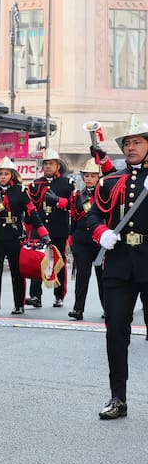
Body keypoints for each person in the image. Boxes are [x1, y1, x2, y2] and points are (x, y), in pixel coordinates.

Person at [86, 115, 148, 419]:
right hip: (120, 263)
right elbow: (94, 216)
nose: (131, 147)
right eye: (127, 143)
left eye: (137, 142)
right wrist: (102, 234)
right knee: (116, 333)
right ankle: (117, 397)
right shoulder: (111, 181)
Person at [0, 156, 49, 316]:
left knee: (17, 271)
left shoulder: (21, 191)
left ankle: (19, 304)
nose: (3, 176)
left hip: (14, 235)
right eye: (0, 173)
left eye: (6, 173)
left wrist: (42, 232)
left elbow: (32, 213)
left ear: (12, 175)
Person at [26, 149, 74, 308]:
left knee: (59, 261)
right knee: (37, 260)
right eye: (45, 163)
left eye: (51, 163)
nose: (47, 166)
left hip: (58, 226)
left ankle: (59, 295)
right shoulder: (35, 184)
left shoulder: (67, 183)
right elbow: (30, 207)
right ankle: (35, 295)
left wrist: (59, 201)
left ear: (58, 165)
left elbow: (74, 204)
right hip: (40, 227)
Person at [68, 155, 115, 321]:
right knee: (82, 275)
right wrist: (71, 237)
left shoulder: (105, 193)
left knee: (103, 277)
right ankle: (78, 309)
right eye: (86, 175)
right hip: (81, 239)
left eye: (93, 175)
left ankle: (107, 309)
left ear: (99, 177)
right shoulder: (76, 195)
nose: (89, 179)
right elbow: (74, 217)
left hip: (99, 240)